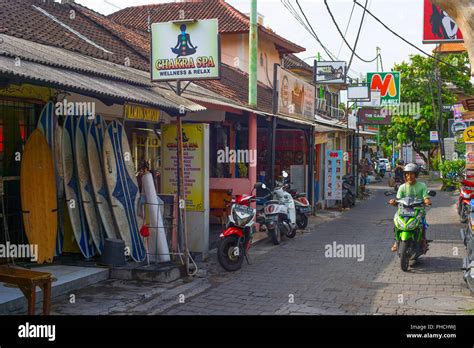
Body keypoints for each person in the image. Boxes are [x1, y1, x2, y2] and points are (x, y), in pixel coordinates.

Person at [389, 163, 431, 252]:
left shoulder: (422, 186)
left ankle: (423, 240)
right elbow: (398, 200)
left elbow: (425, 197)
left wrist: (427, 200)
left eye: (412, 174)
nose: (409, 176)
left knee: (422, 225)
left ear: (415, 175)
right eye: (407, 174)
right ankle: (397, 241)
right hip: (404, 210)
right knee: (396, 222)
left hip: (418, 210)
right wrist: (393, 202)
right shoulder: (402, 187)